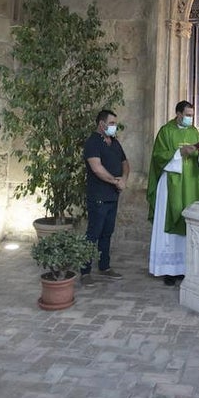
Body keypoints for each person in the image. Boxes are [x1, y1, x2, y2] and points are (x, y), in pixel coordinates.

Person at [147, 101, 199, 286]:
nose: (190, 118)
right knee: (169, 221)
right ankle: (168, 270)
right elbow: (158, 156)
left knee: (188, 223)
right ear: (178, 114)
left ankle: (184, 268)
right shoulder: (166, 131)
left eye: (192, 115)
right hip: (171, 184)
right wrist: (180, 152)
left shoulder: (194, 132)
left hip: (190, 183)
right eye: (187, 114)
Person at [80, 109, 129, 286]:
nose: (114, 127)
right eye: (112, 123)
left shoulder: (114, 142)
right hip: (98, 196)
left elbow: (125, 163)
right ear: (102, 124)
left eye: (115, 124)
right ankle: (85, 272)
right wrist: (115, 182)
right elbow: (97, 168)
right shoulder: (92, 143)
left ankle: (104, 266)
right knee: (93, 233)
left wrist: (123, 179)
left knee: (107, 233)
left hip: (112, 197)